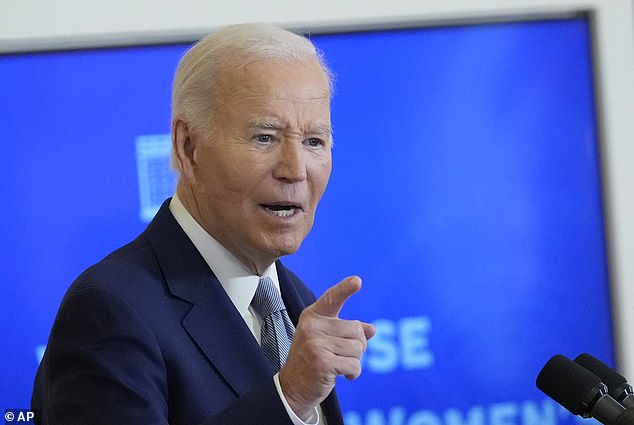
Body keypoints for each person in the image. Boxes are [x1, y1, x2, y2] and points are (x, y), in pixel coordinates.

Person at [31, 23, 376, 425]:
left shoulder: (294, 299)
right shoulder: (109, 311)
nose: (295, 170)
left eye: (314, 141)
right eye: (265, 137)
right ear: (188, 147)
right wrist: (289, 397)